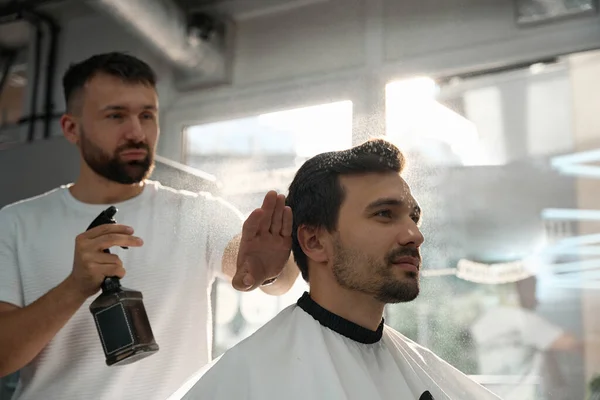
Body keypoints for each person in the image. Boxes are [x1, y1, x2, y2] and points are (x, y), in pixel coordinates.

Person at [0, 52, 299, 400]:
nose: (137, 132)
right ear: (71, 128)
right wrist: (74, 287)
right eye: (116, 116)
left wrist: (269, 269)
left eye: (147, 115)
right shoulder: (15, 224)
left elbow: (271, 277)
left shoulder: (197, 213)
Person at [168, 138, 501, 400]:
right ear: (314, 241)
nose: (415, 234)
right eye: (385, 214)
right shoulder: (248, 376)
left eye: (413, 217)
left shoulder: (421, 367)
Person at [470, 275, 582, 400]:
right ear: (519, 288)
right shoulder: (521, 319)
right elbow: (572, 344)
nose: (536, 299)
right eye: (533, 290)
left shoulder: (486, 320)